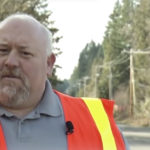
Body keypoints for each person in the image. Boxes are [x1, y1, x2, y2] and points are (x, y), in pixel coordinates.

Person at [0, 13, 129, 150]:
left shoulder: (96, 124)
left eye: (25, 53)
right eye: (2, 50)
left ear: (49, 64)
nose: (10, 62)